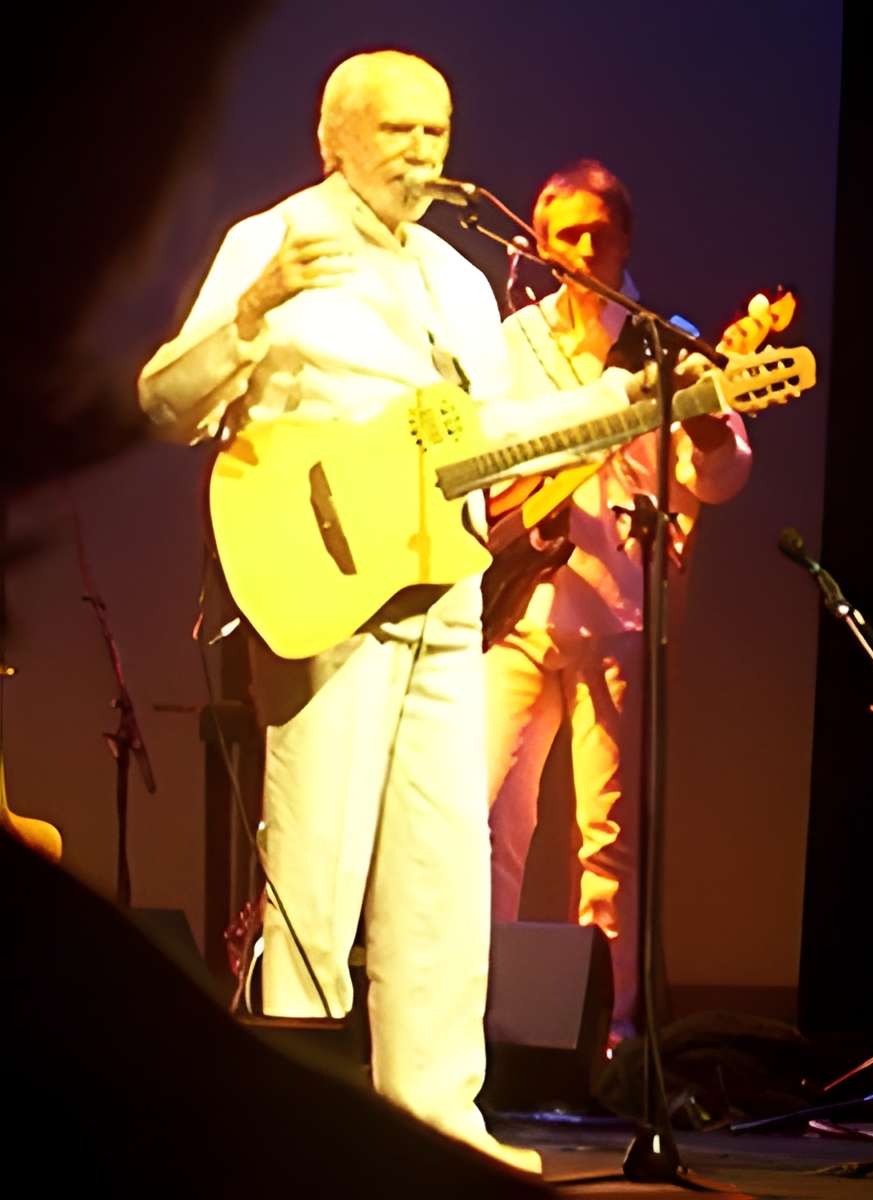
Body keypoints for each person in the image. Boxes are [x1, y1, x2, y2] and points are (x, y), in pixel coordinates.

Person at [138, 54, 650, 1171]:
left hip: (445, 595)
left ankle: (435, 1129)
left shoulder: (461, 281)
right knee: (315, 866)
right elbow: (167, 403)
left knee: (441, 872)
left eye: (440, 131)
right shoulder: (271, 242)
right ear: (334, 139)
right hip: (324, 590)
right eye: (401, 132)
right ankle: (297, 1129)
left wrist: (627, 402)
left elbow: (504, 435)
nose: (426, 154)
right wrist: (260, 306)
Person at [487, 159, 752, 1042]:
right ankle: (482, 1021)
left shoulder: (665, 341)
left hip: (618, 612)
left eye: (602, 232)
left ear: (627, 237)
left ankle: (606, 1032)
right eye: (568, 234)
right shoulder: (510, 342)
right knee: (486, 816)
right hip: (518, 610)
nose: (585, 249)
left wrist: (711, 429)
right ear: (540, 242)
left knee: (608, 838)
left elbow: (719, 475)